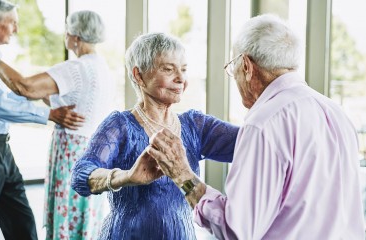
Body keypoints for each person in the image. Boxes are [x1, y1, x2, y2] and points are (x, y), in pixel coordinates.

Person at [147, 14, 366, 239]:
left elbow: (236, 231)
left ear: (246, 66)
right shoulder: (336, 112)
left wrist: (183, 176)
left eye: (233, 67)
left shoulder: (264, 124)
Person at [70, 32, 239, 239]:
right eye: (168, 69)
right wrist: (126, 177)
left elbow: (252, 142)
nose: (180, 79)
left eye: (183, 70)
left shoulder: (195, 126)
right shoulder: (120, 126)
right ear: (139, 75)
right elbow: (81, 175)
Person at [0, 9, 112, 240]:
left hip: (72, 154)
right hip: (94, 154)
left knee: (67, 215)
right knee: (85, 219)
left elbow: (25, 87)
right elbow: (49, 96)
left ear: (75, 36)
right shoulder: (101, 67)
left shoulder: (76, 68)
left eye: (67, 30)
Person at [0, 1, 85, 239]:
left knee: (23, 226)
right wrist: (48, 115)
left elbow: (8, 95)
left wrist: (43, 100)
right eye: (13, 23)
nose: (16, 29)